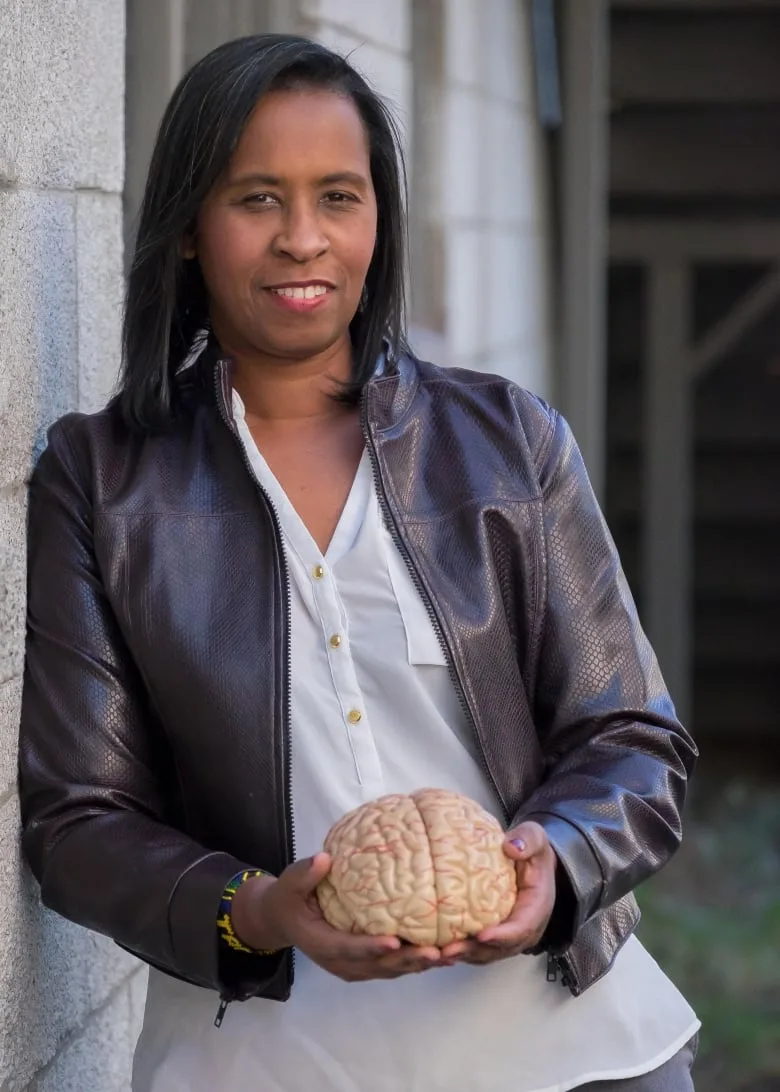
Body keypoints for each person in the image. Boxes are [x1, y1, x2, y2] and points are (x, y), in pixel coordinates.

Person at [19, 34, 700, 1092]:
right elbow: (77, 821)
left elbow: (630, 738)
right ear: (191, 228)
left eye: (339, 196)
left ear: (377, 219)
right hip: (261, 1062)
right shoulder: (101, 481)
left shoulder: (506, 439)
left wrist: (552, 866)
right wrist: (256, 909)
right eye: (257, 199)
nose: (304, 239)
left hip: (572, 1053)